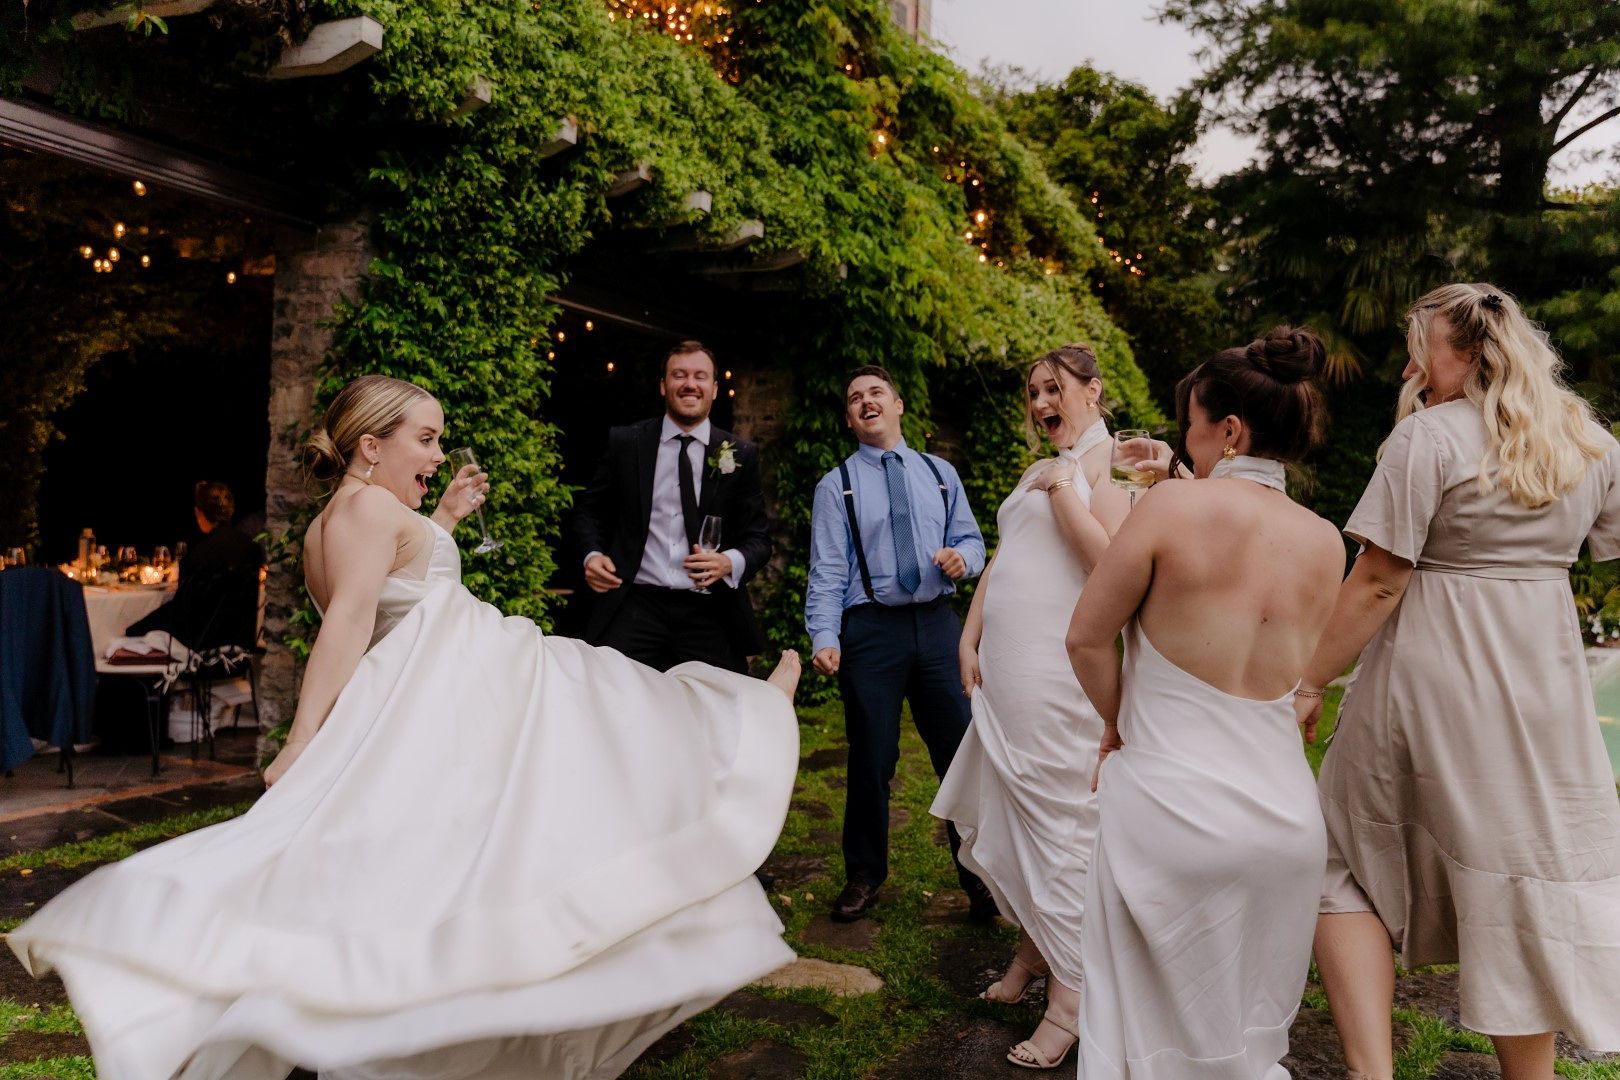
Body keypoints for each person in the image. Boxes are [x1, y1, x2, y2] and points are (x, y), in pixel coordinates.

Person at [8, 374, 803, 1079]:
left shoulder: (356, 512)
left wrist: (448, 516)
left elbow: (398, 595)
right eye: (424, 439)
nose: (436, 452)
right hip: (464, 686)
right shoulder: (365, 511)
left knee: (561, 773)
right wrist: (301, 737)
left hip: (463, 678)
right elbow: (351, 621)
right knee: (618, 732)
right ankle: (746, 720)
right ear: (369, 444)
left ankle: (735, 724)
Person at [1298, 284, 1620, 1080]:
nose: (1411, 363)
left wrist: (1309, 680)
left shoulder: (1428, 439)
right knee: (1518, 866)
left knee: (1344, 858)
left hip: (1432, 673)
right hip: (1543, 680)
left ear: (1468, 354)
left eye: (1422, 348)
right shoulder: (1590, 441)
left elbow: (1377, 578)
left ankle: (1371, 1074)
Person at [1067, 326, 1345, 1079]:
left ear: (1229, 429)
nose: (1182, 443)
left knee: (1148, 1043)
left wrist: (1119, 727)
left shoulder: (1164, 512)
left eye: (1190, 425)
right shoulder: (1327, 542)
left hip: (1173, 814)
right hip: (1286, 829)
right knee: (1244, 1046)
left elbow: (1086, 640)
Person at [931, 344, 1129, 1069]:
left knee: (1057, 825)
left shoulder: (1112, 462)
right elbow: (1007, 557)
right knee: (1019, 819)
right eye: (1033, 392)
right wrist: (970, 635)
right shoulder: (1039, 468)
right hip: (1004, 675)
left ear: (1093, 391)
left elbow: (1107, 563)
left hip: (1056, 677)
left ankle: (1071, 1003)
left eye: (1055, 389)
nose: (1041, 402)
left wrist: (1061, 488)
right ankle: (1031, 958)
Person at [806, 365, 993, 923]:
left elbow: (971, 538)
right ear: (848, 417)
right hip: (871, 632)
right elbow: (828, 570)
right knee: (870, 757)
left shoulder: (939, 473)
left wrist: (964, 558)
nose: (866, 402)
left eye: (876, 393)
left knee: (962, 755)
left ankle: (982, 878)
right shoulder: (835, 484)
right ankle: (864, 874)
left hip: (938, 625)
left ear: (899, 405)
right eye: (855, 397)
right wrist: (825, 634)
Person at [574, 340, 770, 674]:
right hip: (636, 602)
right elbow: (589, 511)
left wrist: (727, 562)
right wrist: (592, 556)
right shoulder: (626, 442)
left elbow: (759, 539)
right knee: (608, 694)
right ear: (664, 385)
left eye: (700, 376)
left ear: (715, 388)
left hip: (708, 610)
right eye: (679, 375)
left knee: (719, 709)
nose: (690, 384)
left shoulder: (740, 454)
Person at [125, 481, 267, 647]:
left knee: (133, 634)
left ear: (199, 514)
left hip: (204, 650)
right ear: (230, 511)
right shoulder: (252, 549)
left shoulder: (198, 556)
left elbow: (183, 613)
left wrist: (136, 629)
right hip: (240, 647)